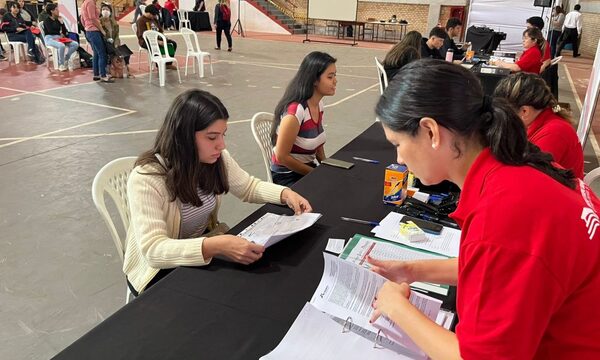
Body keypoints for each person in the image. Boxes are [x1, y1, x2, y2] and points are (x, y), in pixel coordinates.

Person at [370, 59, 600, 359]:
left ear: (430, 132)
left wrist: (395, 307)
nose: (399, 159)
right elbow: (497, 268)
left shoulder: (502, 215)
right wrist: (413, 271)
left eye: (397, 143)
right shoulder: (522, 165)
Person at [123, 89, 313, 295]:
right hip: (155, 271)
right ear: (183, 136)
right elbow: (154, 251)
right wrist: (216, 245)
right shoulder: (147, 178)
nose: (221, 145)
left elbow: (248, 187)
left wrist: (285, 194)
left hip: (200, 248)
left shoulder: (216, 159)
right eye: (212, 137)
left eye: (223, 135)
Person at [494, 72, 583, 178]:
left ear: (524, 111)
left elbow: (527, 178)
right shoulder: (538, 120)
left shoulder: (554, 133)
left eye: (506, 113)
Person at [270, 51, 337, 186]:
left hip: (307, 168)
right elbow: (282, 157)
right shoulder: (295, 112)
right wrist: (316, 174)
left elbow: (317, 143)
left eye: (335, 75)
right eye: (330, 77)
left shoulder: (319, 105)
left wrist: (326, 164)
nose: (335, 81)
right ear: (314, 80)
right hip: (288, 176)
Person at [136, 5, 178, 70]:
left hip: (157, 38)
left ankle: (168, 64)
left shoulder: (154, 19)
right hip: (145, 41)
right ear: (148, 13)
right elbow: (143, 36)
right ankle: (159, 65)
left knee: (173, 44)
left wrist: (163, 37)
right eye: (153, 15)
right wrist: (158, 42)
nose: (154, 16)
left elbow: (160, 30)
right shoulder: (141, 21)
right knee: (156, 47)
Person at [80, 0, 112, 82]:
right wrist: (102, 30)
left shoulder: (85, 3)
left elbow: (82, 19)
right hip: (94, 31)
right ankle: (103, 75)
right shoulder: (90, 2)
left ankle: (96, 74)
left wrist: (86, 28)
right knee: (102, 53)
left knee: (96, 53)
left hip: (89, 31)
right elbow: (93, 18)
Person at [42, 3, 79, 71]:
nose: (58, 11)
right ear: (52, 11)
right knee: (61, 46)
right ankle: (61, 64)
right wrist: (59, 34)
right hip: (50, 38)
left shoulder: (58, 19)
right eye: (56, 9)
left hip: (59, 37)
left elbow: (65, 32)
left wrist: (62, 24)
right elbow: (51, 31)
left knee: (75, 44)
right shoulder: (46, 21)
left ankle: (66, 59)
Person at [100, 3, 133, 77]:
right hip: (105, 43)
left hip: (114, 42)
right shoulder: (99, 22)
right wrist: (107, 39)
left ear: (110, 12)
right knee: (113, 51)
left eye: (107, 9)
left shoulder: (114, 23)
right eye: (103, 9)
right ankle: (109, 68)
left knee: (126, 51)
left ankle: (127, 68)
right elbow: (101, 35)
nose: (105, 11)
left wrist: (116, 42)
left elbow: (117, 35)